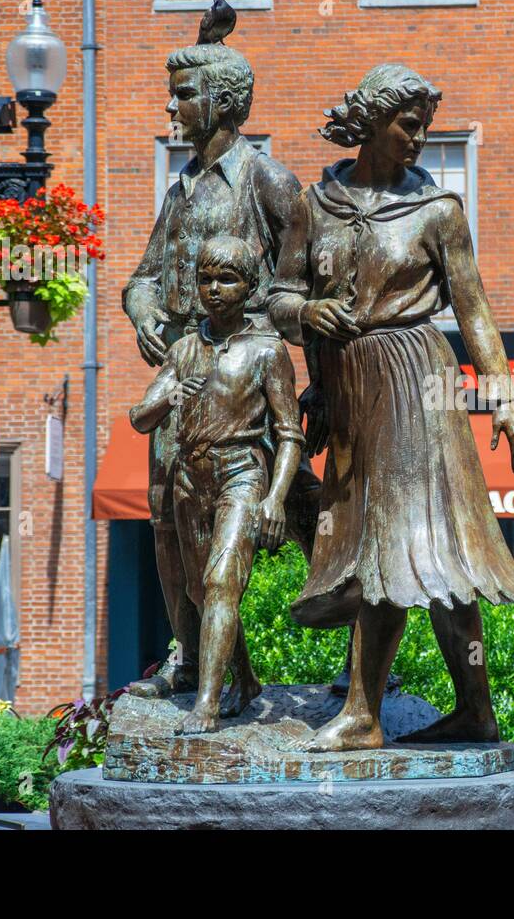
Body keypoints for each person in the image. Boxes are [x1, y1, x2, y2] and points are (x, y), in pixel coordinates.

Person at [268, 64, 514, 751]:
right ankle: (466, 711)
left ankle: (369, 710)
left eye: (426, 127)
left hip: (417, 383)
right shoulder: (313, 204)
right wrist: (310, 320)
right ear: (371, 123)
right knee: (387, 546)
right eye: (407, 125)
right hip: (352, 392)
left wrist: (506, 398)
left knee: (420, 544)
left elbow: (474, 311)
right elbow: (276, 298)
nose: (419, 139)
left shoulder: (438, 211)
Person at [122, 22, 323, 700]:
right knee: (169, 524)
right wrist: (146, 312)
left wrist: (317, 388)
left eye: (183, 95)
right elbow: (142, 276)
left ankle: (360, 649)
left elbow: (308, 286)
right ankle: (191, 660)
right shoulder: (180, 188)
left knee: (302, 515)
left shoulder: (268, 182)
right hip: (184, 370)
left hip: (252, 380)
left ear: (224, 103)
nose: (171, 109)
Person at [130, 236, 305, 733]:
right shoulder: (184, 349)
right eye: (205, 279)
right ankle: (245, 679)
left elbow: (290, 434)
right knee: (200, 590)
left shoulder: (268, 352)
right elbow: (141, 418)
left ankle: (206, 702)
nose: (213, 289)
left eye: (226, 279)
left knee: (221, 581)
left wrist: (275, 498)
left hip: (242, 472)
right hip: (190, 478)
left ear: (250, 287)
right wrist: (168, 398)